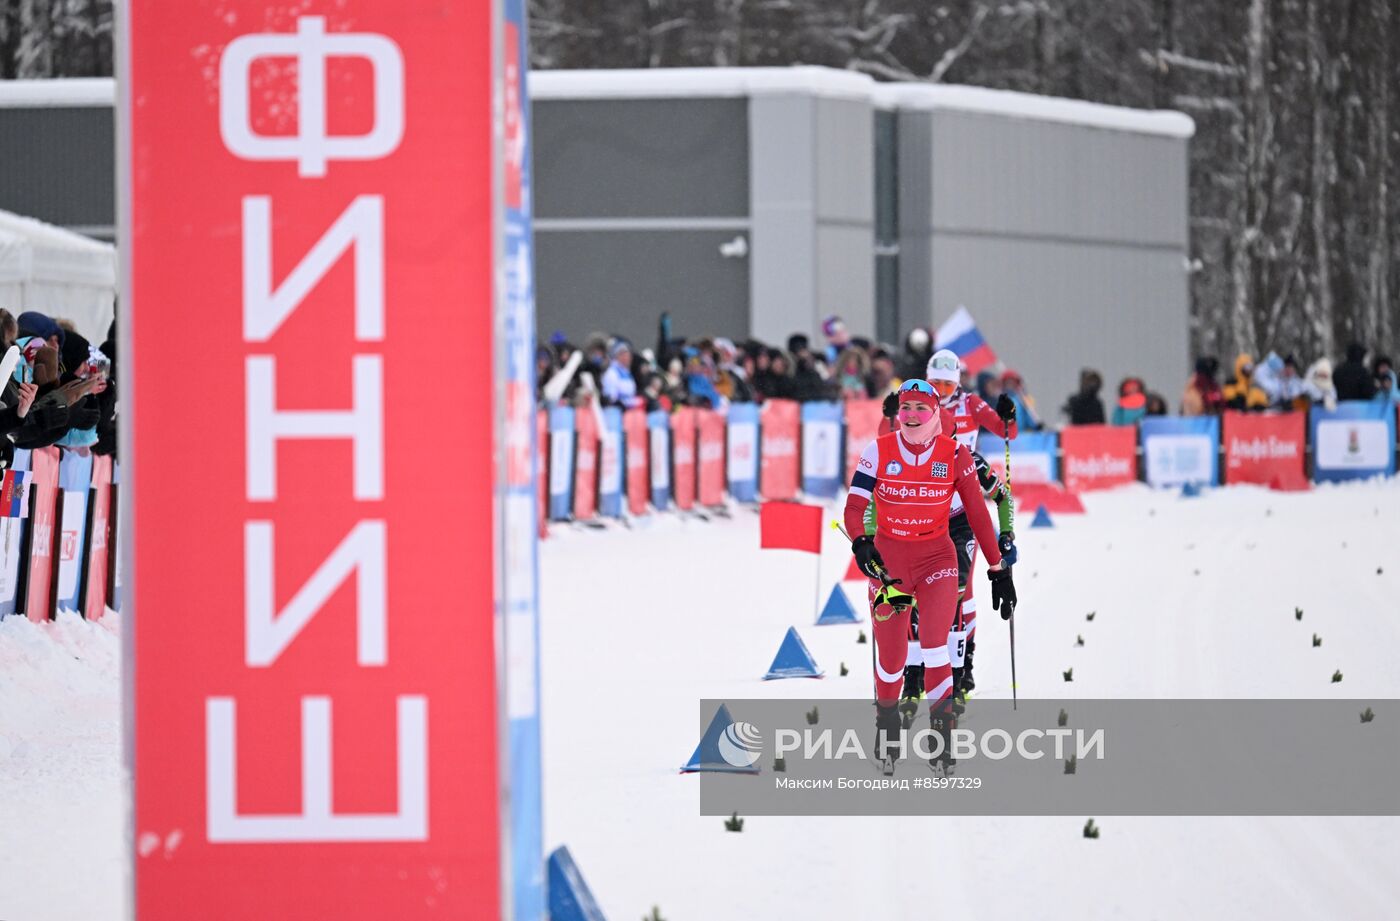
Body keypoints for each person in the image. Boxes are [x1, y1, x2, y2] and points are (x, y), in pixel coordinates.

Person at [844, 378, 1015, 774]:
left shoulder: (956, 454)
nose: (913, 416)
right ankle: (887, 724)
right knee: (892, 661)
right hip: (890, 566)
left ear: (936, 412)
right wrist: (861, 543)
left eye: (922, 408)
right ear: (898, 413)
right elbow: (854, 508)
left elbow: (977, 514)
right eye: (907, 408)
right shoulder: (878, 450)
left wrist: (997, 569)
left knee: (937, 646)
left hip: (938, 558)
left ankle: (942, 736)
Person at [925, 349, 1017, 698]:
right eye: (936, 383)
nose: (941, 391)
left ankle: (964, 666)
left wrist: (1008, 414)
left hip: (965, 496)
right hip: (929, 504)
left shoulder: (970, 405)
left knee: (962, 591)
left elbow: (1007, 431)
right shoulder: (920, 403)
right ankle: (922, 667)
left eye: (948, 384)